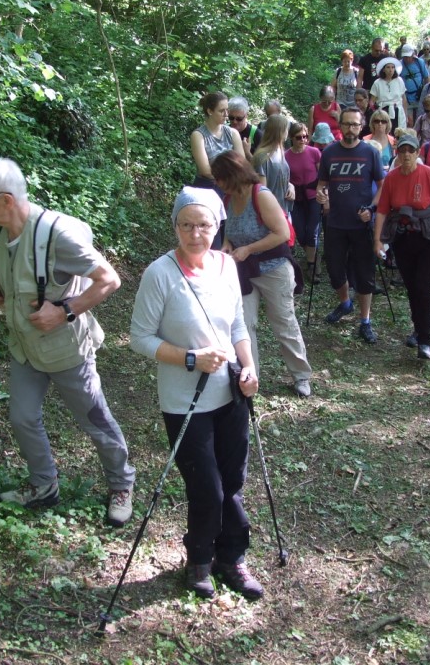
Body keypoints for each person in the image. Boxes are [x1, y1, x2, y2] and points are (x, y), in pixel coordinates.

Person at [0, 158, 136, 522]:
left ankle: (121, 483)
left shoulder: (57, 235)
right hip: (25, 348)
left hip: (66, 351)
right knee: (22, 417)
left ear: (5, 200)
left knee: (95, 420)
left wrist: (64, 311)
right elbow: (17, 277)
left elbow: (109, 280)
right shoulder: (3, 231)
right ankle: (44, 485)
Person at [129, 187, 264, 600]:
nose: (195, 233)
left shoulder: (226, 266)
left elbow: (238, 326)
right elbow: (140, 339)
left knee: (232, 480)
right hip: (184, 401)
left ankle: (231, 559)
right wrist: (191, 358)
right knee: (206, 486)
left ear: (216, 226)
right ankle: (199, 560)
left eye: (203, 225)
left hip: (230, 393)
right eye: (186, 225)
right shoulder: (160, 273)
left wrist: (250, 366)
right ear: (175, 227)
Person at [213, 153, 313, 398]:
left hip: (274, 269)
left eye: (220, 178)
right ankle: (249, 377)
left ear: (233, 174)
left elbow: (281, 234)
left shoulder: (261, 195)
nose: (217, 183)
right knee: (243, 326)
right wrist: (227, 244)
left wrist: (249, 249)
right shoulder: (227, 199)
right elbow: (229, 231)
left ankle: (301, 376)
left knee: (284, 323)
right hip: (244, 272)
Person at [372, 133, 430, 360]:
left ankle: (425, 340)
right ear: (397, 153)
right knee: (411, 287)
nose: (406, 155)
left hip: (429, 238)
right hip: (403, 239)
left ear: (418, 153)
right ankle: (418, 330)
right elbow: (382, 210)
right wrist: (377, 239)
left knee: (423, 286)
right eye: (402, 151)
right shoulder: (392, 178)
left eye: (411, 151)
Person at [316, 107, 385, 344]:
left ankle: (365, 321)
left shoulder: (370, 153)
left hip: (361, 223)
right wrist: (322, 195)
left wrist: (372, 209)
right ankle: (345, 303)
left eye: (355, 125)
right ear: (340, 125)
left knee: (365, 274)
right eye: (346, 124)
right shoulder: (329, 153)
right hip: (334, 222)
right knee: (335, 271)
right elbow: (323, 184)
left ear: (361, 126)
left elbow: (382, 186)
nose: (350, 129)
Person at [286, 122, 322, 272]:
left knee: (312, 231)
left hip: (313, 196)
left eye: (305, 137)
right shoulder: (285, 155)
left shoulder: (314, 152)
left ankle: (312, 264)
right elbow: (284, 177)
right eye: (299, 137)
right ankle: (313, 256)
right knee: (300, 232)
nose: (303, 140)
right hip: (296, 198)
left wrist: (325, 194)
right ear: (291, 138)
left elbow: (322, 176)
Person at [190, 92, 246, 188]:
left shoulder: (233, 133)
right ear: (210, 111)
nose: (226, 114)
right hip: (207, 188)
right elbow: (206, 171)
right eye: (221, 111)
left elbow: (242, 163)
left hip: (232, 186)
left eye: (227, 110)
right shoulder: (198, 136)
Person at [250, 114, 294, 211]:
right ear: (280, 131)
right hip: (271, 213)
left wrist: (290, 186)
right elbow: (261, 192)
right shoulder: (262, 157)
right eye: (286, 129)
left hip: (284, 208)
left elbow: (279, 176)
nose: (287, 132)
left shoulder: (280, 152)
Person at [370, 57, 407, 133]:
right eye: (388, 67)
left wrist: (406, 115)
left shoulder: (399, 81)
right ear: (383, 69)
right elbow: (372, 102)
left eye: (393, 67)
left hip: (398, 112)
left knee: (399, 134)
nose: (391, 70)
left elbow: (404, 99)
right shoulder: (377, 83)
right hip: (383, 113)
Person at [400, 44, 429, 125]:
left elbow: (426, 77)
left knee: (421, 120)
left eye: (409, 56)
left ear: (413, 54)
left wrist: (427, 92)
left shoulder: (420, 62)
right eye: (405, 56)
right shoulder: (399, 65)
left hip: (420, 95)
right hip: (407, 97)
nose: (407, 59)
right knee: (409, 121)